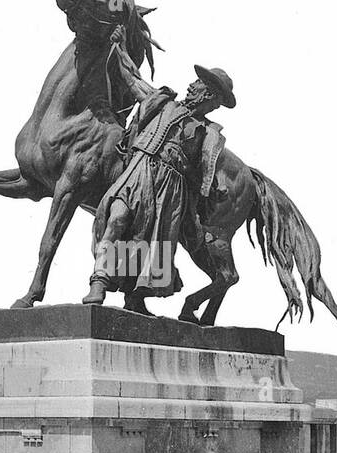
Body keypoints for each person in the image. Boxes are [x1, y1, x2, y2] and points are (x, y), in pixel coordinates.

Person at [84, 28, 235, 313]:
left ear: (210, 97)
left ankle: (135, 297)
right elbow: (132, 80)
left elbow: (204, 174)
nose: (192, 86)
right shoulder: (162, 101)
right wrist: (117, 45)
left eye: (199, 84)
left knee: (151, 241)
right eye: (194, 81)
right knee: (117, 218)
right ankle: (99, 281)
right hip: (140, 169)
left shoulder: (207, 133)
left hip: (170, 186)